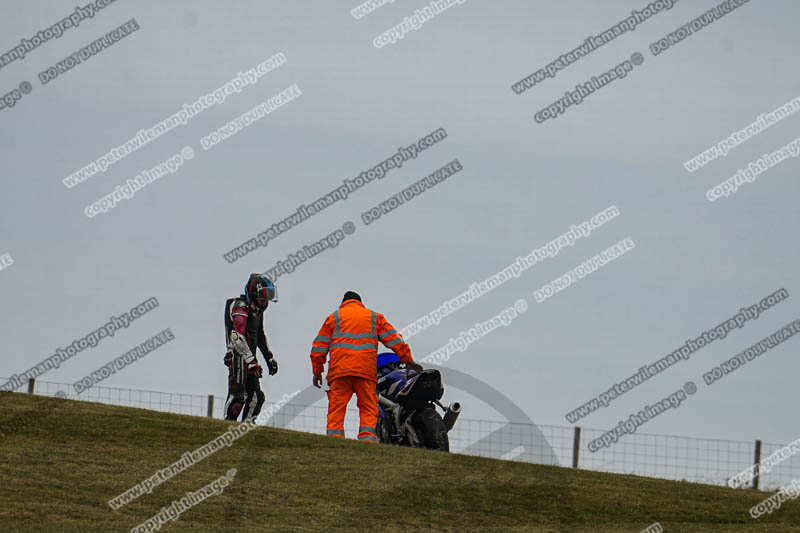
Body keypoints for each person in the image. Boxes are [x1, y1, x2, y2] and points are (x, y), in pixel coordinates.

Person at [310, 291, 422, 442]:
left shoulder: (334, 318)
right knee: (368, 407)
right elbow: (394, 340)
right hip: (365, 371)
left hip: (340, 372)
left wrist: (317, 372)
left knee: (337, 408)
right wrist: (407, 359)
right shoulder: (374, 317)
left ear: (343, 303)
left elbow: (318, 348)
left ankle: (334, 439)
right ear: (360, 302)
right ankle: (367, 439)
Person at [224, 274, 279, 422]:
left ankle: (246, 428)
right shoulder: (240, 307)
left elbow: (260, 335)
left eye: (267, 297)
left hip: (250, 360)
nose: (264, 301)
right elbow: (236, 337)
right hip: (238, 357)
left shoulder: (257, 311)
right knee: (238, 397)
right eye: (262, 297)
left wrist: (269, 357)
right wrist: (251, 361)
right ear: (253, 293)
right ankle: (227, 425)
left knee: (257, 397)